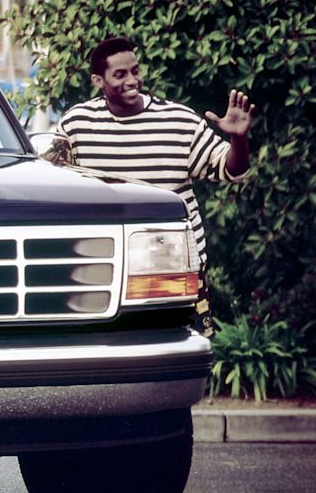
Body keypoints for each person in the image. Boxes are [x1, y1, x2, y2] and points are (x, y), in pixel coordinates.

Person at [53, 36, 255, 336]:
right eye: (120, 75)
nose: (132, 80)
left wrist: (238, 137)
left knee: (184, 348)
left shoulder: (179, 121)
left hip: (172, 271)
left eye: (135, 71)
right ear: (98, 80)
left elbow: (231, 169)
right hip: (103, 269)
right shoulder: (77, 124)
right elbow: (55, 184)